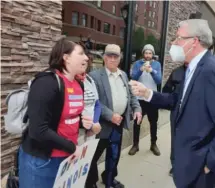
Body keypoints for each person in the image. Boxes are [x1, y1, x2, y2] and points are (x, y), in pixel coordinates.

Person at [129, 19, 215, 188]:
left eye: (178, 38)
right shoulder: (191, 68)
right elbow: (177, 100)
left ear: (194, 41)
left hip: (199, 166)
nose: (174, 43)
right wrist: (148, 94)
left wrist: (211, 164)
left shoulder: (213, 71)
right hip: (186, 160)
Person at [18, 38, 97, 188]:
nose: (86, 58)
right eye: (80, 53)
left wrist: (82, 122)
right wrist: (71, 147)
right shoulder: (46, 83)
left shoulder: (78, 83)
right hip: (42, 161)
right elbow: (38, 130)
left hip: (67, 159)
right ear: (66, 58)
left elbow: (64, 115)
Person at [85, 44, 142, 188]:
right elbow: (94, 101)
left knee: (114, 155)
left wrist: (137, 108)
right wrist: (110, 115)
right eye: (109, 55)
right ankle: (91, 182)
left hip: (118, 124)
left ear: (119, 59)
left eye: (115, 56)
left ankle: (109, 180)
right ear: (104, 57)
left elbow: (131, 95)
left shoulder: (123, 75)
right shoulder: (94, 76)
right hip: (101, 125)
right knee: (93, 157)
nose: (112, 59)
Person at [128, 44, 162, 156]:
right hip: (139, 98)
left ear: (152, 54)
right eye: (146, 53)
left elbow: (158, 81)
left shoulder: (157, 64)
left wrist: (152, 71)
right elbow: (133, 78)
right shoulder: (137, 64)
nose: (148, 55)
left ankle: (153, 144)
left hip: (152, 97)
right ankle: (135, 145)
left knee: (153, 122)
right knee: (137, 122)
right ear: (143, 54)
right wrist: (140, 70)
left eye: (150, 53)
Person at [162, 65, 185, 176]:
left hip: (195, 112)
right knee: (175, 138)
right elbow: (166, 90)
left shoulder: (203, 71)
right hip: (177, 111)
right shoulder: (176, 72)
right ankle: (175, 165)